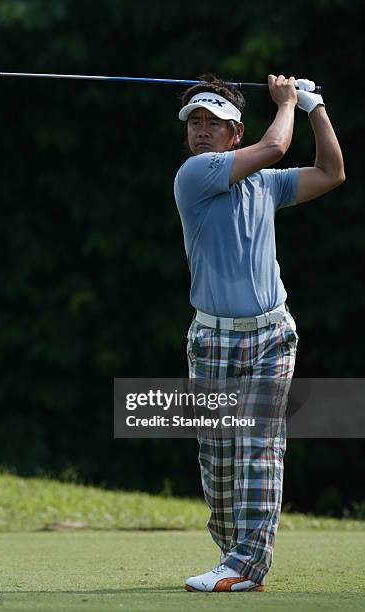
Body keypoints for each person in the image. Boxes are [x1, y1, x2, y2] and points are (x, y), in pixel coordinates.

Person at [174, 73, 345, 592]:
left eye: (215, 123)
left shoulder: (266, 185)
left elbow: (332, 172)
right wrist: (288, 102)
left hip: (271, 336)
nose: (202, 131)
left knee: (259, 446)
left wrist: (314, 107)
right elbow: (275, 144)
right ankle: (233, 553)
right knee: (217, 457)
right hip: (211, 340)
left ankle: (247, 566)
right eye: (195, 123)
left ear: (235, 132)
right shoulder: (194, 174)